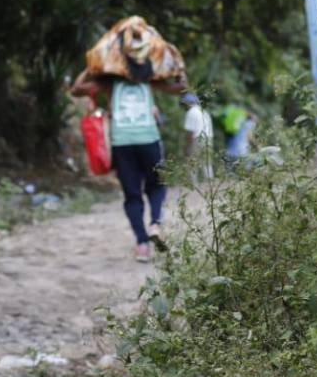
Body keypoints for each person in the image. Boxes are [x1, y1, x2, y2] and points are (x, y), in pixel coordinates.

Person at [71, 67, 188, 262]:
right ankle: (155, 225)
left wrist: (90, 68)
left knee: (132, 196)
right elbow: (181, 87)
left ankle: (142, 245)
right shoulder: (149, 80)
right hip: (149, 141)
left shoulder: (109, 84)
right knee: (157, 185)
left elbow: (76, 89)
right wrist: (178, 68)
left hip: (122, 144)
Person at [181, 93, 215, 179]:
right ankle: (209, 182)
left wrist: (187, 146)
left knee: (192, 163)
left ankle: (193, 184)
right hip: (208, 139)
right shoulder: (204, 112)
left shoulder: (191, 112)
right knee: (207, 163)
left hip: (197, 139)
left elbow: (190, 132)